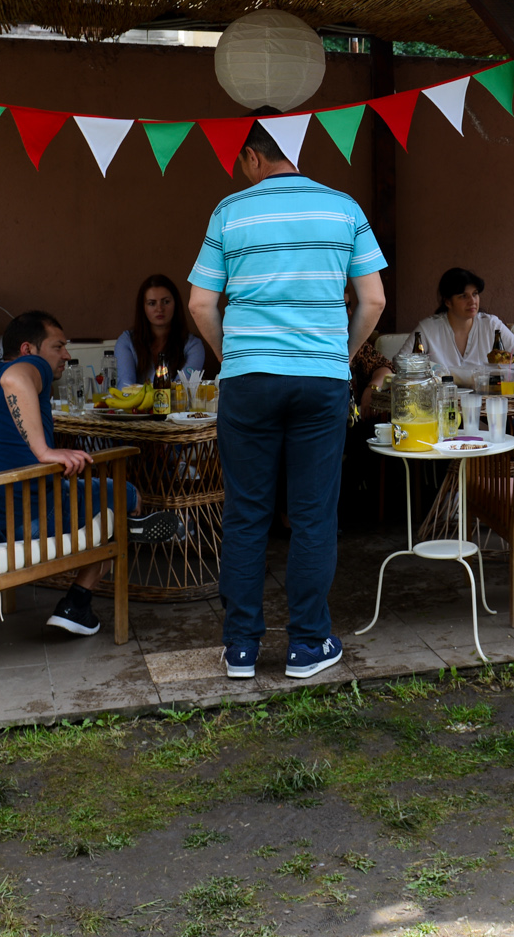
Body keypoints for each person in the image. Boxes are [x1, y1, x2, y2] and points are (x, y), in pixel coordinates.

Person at [188, 122, 387, 682]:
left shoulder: (229, 211)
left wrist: (234, 357)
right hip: (320, 379)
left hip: (248, 380)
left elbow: (201, 304)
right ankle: (307, 644)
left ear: (253, 156)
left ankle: (241, 649)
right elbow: (373, 299)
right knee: (312, 514)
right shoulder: (344, 207)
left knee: (246, 513)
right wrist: (342, 355)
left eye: (239, 160)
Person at [0, 310, 172, 637]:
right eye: (58, 346)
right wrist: (43, 451)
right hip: (20, 518)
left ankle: (119, 529)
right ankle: (78, 602)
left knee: (93, 492)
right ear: (28, 350)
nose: (66, 355)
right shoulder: (29, 368)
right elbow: (16, 380)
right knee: (123, 494)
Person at [401, 268, 514, 380]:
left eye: (475, 294)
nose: (472, 301)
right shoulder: (428, 328)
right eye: (463, 296)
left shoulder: (491, 325)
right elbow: (401, 364)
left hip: (487, 402)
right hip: (441, 402)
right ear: (448, 302)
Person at [114, 274, 211, 390]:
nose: (159, 309)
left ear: (175, 303)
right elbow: (125, 386)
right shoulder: (126, 341)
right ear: (143, 307)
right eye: (152, 303)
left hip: (177, 407)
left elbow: (182, 389)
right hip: (136, 407)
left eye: (166, 302)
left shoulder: (193, 345)